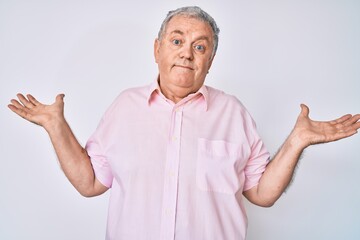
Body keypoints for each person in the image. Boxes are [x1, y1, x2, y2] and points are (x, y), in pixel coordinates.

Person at [8, 6, 360, 240]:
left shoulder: (233, 113)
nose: (187, 53)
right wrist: (56, 126)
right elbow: (90, 183)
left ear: (211, 60)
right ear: (157, 48)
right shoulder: (124, 108)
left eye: (200, 46)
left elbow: (261, 194)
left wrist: (297, 141)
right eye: (177, 41)